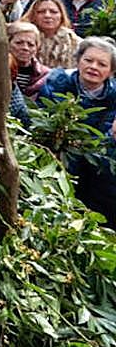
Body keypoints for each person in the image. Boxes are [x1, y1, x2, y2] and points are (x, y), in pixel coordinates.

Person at [36, 37, 116, 224]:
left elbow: (106, 134)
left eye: (102, 64)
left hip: (97, 159)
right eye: (88, 60)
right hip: (59, 154)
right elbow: (43, 116)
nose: (93, 67)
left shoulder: (113, 95)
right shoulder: (58, 81)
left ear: (111, 71)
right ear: (78, 60)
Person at [21, 0, 81, 69]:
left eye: (53, 12)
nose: (47, 15)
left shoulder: (75, 42)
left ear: (61, 15)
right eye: (41, 12)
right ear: (33, 15)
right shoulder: (22, 37)